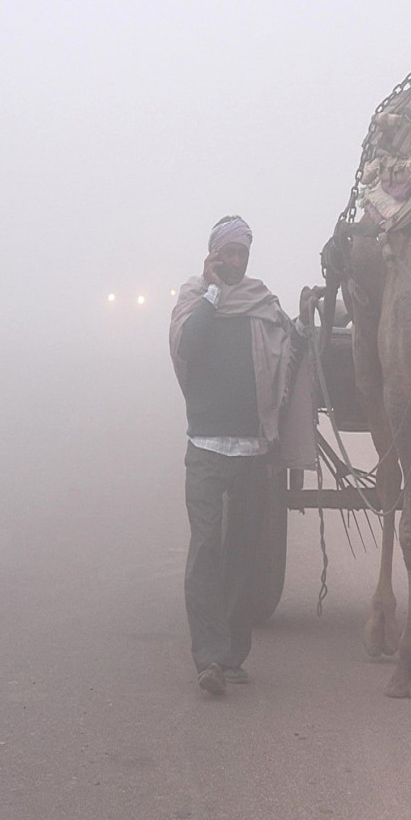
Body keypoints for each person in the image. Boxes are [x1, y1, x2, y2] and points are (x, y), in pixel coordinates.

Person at [169, 215, 295, 695]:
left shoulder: (263, 304)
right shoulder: (194, 302)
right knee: (206, 550)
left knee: (243, 553)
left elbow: (286, 354)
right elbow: (190, 345)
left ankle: (232, 656)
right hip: (204, 449)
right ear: (214, 255)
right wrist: (214, 292)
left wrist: (300, 323)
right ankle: (207, 658)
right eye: (228, 254)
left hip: (250, 450)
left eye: (242, 254)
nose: (237, 261)